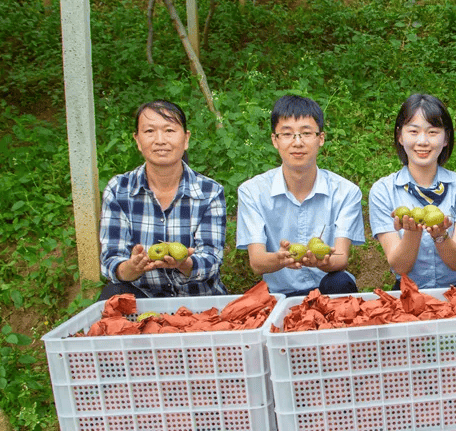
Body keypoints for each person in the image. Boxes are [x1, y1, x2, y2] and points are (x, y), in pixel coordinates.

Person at [236, 95, 365, 297]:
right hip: (279, 293)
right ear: (274, 140)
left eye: (306, 133)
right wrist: (281, 259)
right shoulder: (252, 191)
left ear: (320, 138)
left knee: (340, 281)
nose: (297, 143)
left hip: (329, 288)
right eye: (287, 134)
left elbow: (340, 258)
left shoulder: (346, 192)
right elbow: (257, 262)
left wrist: (321, 262)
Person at [98, 99, 228, 300]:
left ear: (186, 139)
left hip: (198, 300)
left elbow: (211, 259)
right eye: (149, 131)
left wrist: (185, 264)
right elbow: (111, 261)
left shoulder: (209, 192)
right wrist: (131, 268)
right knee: (111, 298)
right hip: (140, 297)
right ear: (138, 141)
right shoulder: (119, 190)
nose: (160, 140)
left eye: (169, 130)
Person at [369, 93, 456, 290]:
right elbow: (400, 266)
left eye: (432, 132)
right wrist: (413, 233)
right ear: (400, 136)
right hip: (407, 290)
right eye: (413, 131)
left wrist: (441, 236)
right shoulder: (382, 191)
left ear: (446, 138)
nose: (422, 141)